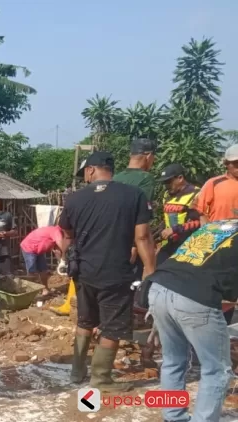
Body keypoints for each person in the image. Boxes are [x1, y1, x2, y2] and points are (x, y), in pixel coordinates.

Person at [61, 151, 156, 392]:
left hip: (83, 272)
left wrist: (67, 260)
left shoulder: (73, 199)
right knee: (113, 327)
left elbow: (66, 236)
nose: (84, 176)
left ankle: (77, 372)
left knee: (84, 320)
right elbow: (142, 237)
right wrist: (150, 269)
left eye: (84, 172)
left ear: (91, 170)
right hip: (116, 273)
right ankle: (101, 379)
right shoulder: (134, 195)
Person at [146, 220, 238, 422]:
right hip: (193, 296)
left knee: (173, 360)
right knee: (217, 370)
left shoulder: (217, 225)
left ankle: (172, 417)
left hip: (159, 288)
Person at [195, 144, 238, 323]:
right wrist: (208, 237)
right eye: (235, 163)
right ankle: (214, 321)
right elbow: (201, 212)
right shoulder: (214, 183)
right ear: (226, 164)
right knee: (217, 285)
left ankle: (226, 325)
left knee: (233, 286)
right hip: (218, 244)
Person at [113, 137, 157, 281]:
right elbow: (140, 218)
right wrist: (134, 246)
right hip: (132, 243)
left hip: (113, 242)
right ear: (149, 156)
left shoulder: (116, 177)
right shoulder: (146, 179)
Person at [155, 163, 201, 265]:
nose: (166, 186)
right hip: (170, 244)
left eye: (168, 182)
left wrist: (175, 229)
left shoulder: (196, 194)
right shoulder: (167, 195)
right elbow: (167, 218)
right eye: (164, 183)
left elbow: (199, 223)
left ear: (180, 178)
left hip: (188, 246)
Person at [20, 225, 66, 296]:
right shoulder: (56, 231)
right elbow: (62, 246)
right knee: (32, 272)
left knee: (43, 270)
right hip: (29, 248)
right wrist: (66, 258)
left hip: (38, 250)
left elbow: (57, 250)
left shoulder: (55, 232)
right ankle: (31, 293)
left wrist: (61, 262)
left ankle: (45, 289)